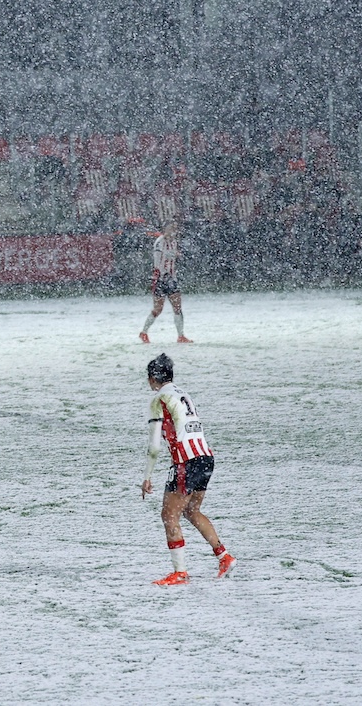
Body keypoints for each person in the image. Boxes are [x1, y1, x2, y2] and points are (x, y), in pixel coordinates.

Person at [139, 354, 232, 586]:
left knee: (169, 515)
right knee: (192, 510)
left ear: (152, 378)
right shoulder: (183, 394)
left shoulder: (159, 400)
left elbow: (154, 447)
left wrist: (147, 476)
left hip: (185, 462)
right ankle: (224, 557)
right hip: (205, 457)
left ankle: (180, 572)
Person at [139, 220, 191, 344]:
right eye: (170, 228)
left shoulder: (174, 242)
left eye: (174, 229)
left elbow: (172, 258)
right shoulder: (159, 242)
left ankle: (181, 336)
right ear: (165, 230)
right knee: (158, 309)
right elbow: (157, 260)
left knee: (177, 307)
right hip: (160, 279)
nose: (173, 231)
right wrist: (162, 274)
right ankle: (144, 332)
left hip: (171, 279)